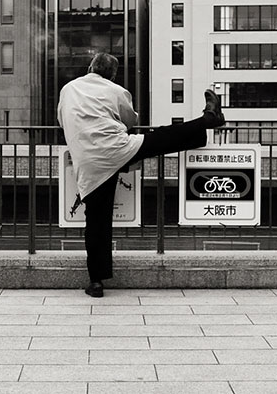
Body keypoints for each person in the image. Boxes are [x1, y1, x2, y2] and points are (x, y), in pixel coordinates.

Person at [57, 52, 226, 298]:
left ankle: (96, 282)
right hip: (116, 150)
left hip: (87, 161)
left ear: (90, 67)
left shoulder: (68, 89)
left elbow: (62, 119)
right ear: (112, 74)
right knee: (162, 137)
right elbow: (129, 121)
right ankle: (207, 121)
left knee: (96, 222)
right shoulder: (116, 91)